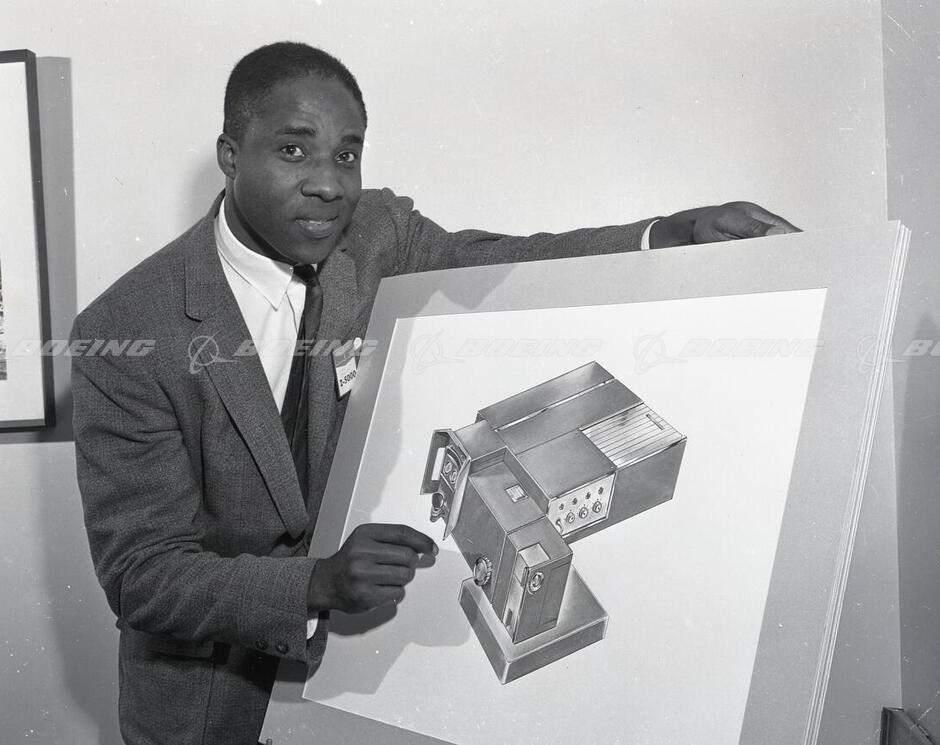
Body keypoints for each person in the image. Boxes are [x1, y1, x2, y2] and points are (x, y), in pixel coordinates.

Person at [70, 41, 798, 745]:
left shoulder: (374, 233)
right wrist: (316, 583)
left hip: (351, 684)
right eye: (294, 150)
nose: (329, 183)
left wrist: (667, 235)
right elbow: (144, 575)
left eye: (347, 154)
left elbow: (498, 264)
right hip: (206, 706)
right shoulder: (124, 330)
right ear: (231, 155)